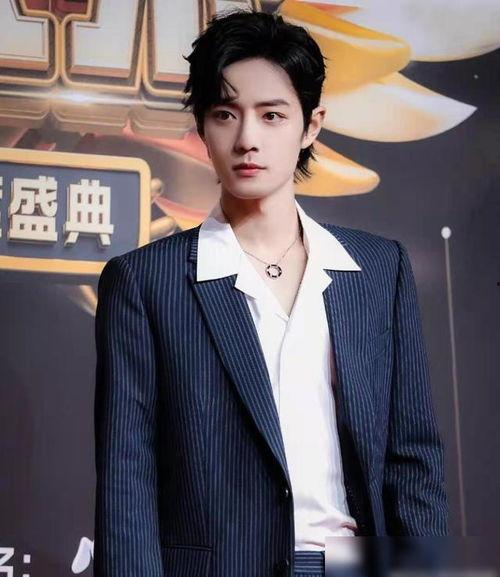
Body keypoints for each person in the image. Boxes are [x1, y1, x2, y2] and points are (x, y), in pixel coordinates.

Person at [93, 9, 448, 577]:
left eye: (272, 115)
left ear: (311, 126)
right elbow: (127, 476)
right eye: (225, 114)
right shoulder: (145, 282)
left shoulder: (379, 270)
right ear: (200, 127)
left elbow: (412, 460)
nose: (247, 139)